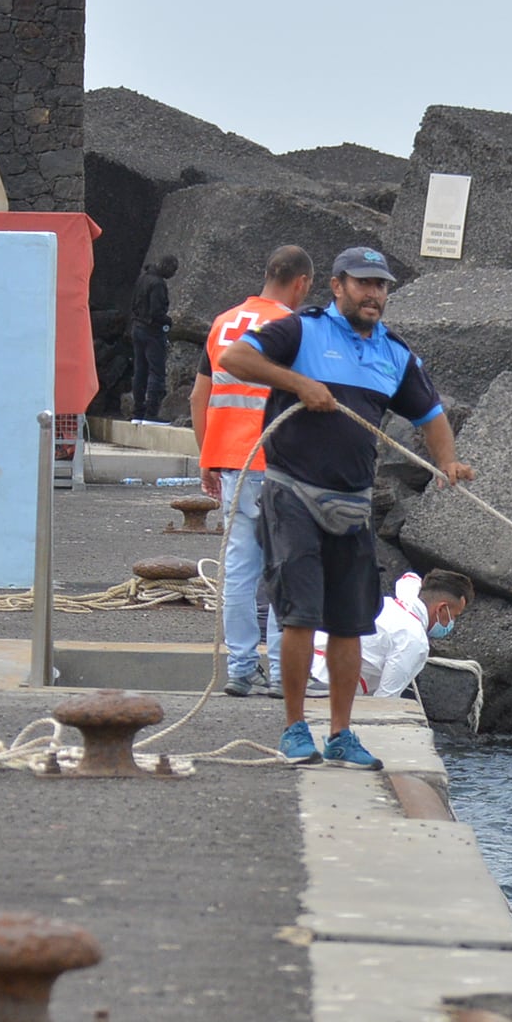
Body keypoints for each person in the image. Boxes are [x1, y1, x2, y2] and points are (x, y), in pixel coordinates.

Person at [215, 246, 470, 769]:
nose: (374, 294)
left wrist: (447, 461)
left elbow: (431, 411)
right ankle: (292, 729)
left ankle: (341, 733)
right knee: (300, 616)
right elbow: (235, 358)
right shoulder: (302, 331)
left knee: (352, 624)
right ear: (336, 286)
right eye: (363, 284)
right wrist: (300, 383)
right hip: (291, 492)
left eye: (381, 286)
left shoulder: (394, 354)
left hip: (352, 501)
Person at [193, 247, 317, 698]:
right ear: (301, 283)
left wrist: (208, 456)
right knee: (287, 571)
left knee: (240, 572)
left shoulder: (222, 323)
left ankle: (242, 670)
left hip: (232, 464)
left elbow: (199, 397)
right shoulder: (294, 328)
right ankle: (286, 674)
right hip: (278, 464)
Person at [269, 567, 471, 707]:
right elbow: (385, 700)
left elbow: (410, 579)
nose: (451, 623)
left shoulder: (395, 601)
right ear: (442, 608)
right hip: (327, 681)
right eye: (454, 616)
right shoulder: (414, 640)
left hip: (305, 662)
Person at [128, 254, 178, 420]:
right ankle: (151, 414)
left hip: (137, 328)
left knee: (139, 371)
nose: (174, 274)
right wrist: (168, 321)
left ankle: (137, 412)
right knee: (156, 372)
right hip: (152, 331)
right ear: (167, 266)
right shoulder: (158, 284)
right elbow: (156, 311)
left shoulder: (143, 279)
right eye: (173, 269)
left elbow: (134, 303)